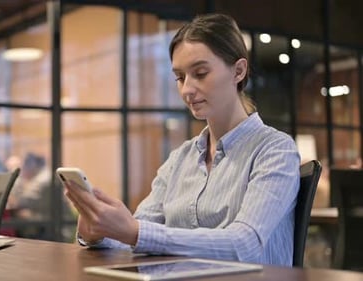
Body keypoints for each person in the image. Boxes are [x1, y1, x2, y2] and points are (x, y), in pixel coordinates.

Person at [63, 13, 300, 266]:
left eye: (200, 73)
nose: (186, 89)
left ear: (238, 71)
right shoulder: (180, 159)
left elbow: (245, 245)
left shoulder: (275, 150)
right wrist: (99, 234)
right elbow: (138, 233)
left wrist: (134, 232)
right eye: (180, 77)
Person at [6, 153, 75, 240]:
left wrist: (15, 175)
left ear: (31, 165)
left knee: (16, 223)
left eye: (23, 166)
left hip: (56, 229)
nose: (23, 169)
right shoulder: (41, 176)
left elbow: (21, 201)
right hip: (49, 223)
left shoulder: (44, 179)